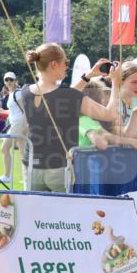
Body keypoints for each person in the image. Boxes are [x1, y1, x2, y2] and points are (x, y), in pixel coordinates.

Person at [19, 43, 123, 192]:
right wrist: (116, 83)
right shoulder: (68, 96)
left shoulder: (25, 92)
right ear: (54, 64)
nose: (67, 67)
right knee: (63, 214)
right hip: (59, 169)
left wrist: (88, 76)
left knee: (33, 214)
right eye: (65, 63)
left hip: (30, 167)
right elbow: (110, 114)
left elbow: (57, 97)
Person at [0, 72, 25, 186]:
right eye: (6, 80)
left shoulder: (17, 93)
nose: (9, 82)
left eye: (11, 79)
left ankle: (7, 176)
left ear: (15, 81)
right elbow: (13, 111)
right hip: (17, 123)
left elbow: (25, 110)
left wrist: (26, 125)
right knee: (24, 153)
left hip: (19, 124)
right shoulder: (12, 93)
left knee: (4, 148)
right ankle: (27, 177)